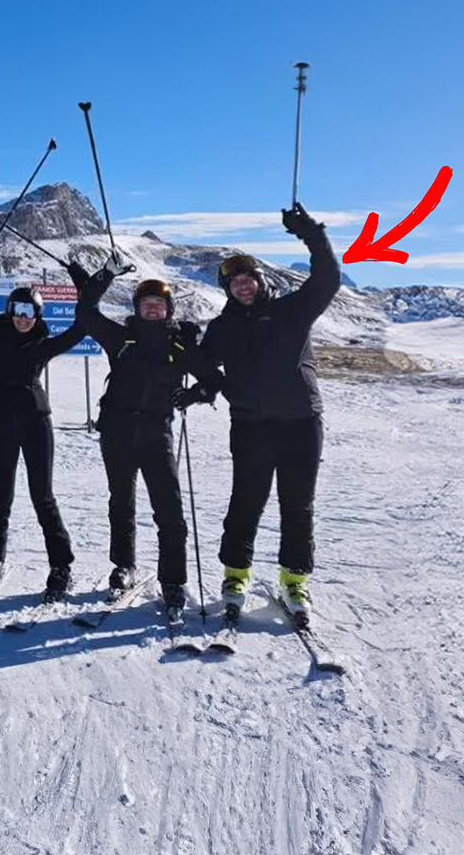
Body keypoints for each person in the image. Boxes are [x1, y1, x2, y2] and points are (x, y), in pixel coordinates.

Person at [198, 203, 340, 627]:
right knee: (246, 502)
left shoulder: (292, 310)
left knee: (298, 505)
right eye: (234, 282)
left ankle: (294, 581)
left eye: (248, 279)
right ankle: (236, 576)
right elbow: (203, 365)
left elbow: (328, 278)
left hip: (300, 423)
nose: (242, 286)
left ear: (260, 281)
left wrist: (311, 233)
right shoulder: (222, 327)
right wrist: (208, 386)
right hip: (251, 426)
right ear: (227, 289)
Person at [71, 266, 221, 612]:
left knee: (169, 509)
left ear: (169, 309)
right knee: (120, 502)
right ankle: (123, 566)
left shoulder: (181, 343)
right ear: (137, 308)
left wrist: (195, 395)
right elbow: (87, 315)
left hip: (157, 434)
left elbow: (214, 380)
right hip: (117, 431)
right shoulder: (120, 338)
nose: (153, 309)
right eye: (146, 304)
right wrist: (103, 278)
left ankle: (173, 580)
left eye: (159, 304)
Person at [0, 276, 98, 603]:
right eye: (18, 309)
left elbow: (82, 327)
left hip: (35, 423)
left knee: (42, 495)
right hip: (0, 422)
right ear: (9, 310)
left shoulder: (44, 344)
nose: (23, 316)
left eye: (30, 310)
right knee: (0, 495)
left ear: (39, 314)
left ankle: (61, 566)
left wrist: (89, 292)